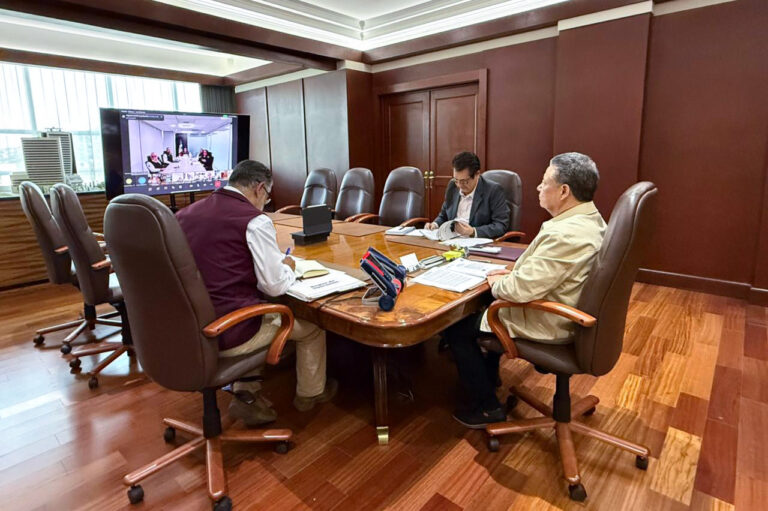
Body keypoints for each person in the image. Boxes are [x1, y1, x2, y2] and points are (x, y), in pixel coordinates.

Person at [444, 152, 606, 428]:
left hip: (551, 319)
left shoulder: (565, 234)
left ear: (564, 191)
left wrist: (498, 281)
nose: (538, 188)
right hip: (563, 305)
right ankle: (489, 376)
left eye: (544, 183)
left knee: (457, 327)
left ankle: (487, 407)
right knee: (480, 312)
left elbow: (518, 291)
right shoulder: (590, 219)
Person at [176, 160, 337, 427]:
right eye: (268, 196)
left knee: (255, 304)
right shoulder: (254, 220)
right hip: (229, 330)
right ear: (260, 188)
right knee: (311, 326)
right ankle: (311, 394)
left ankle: (246, 393)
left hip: (190, 325)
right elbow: (274, 286)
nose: (265, 202)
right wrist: (287, 265)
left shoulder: (185, 214)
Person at [424, 151, 509, 239]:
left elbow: (500, 225)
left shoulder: (493, 191)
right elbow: (443, 215)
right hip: (451, 241)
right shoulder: (452, 186)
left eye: (464, 181)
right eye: (456, 180)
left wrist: (473, 231)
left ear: (477, 174)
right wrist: (435, 224)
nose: (460, 185)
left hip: (475, 243)